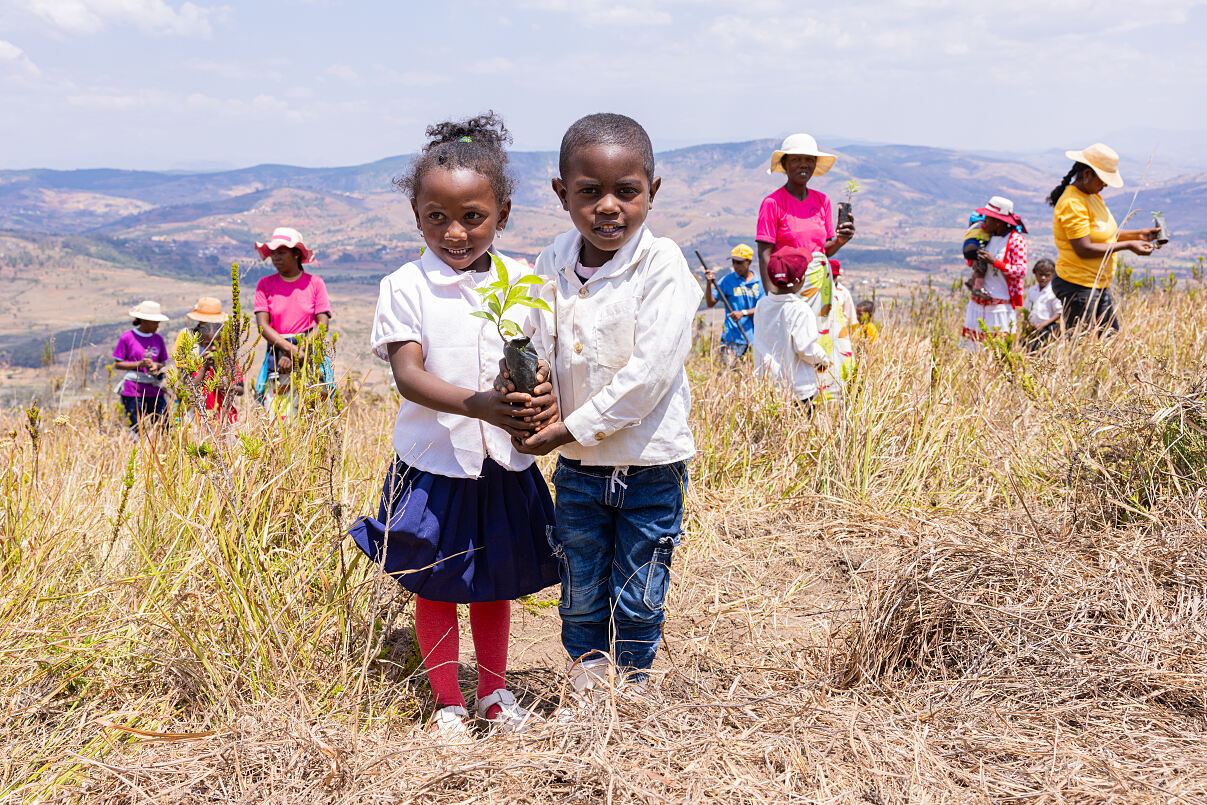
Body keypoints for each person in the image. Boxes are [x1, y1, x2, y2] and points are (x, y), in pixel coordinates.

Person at [348, 113, 560, 742]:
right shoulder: (405, 286)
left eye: (473, 216)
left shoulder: (523, 283)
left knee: (493, 585)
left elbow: (536, 364)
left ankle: (494, 694)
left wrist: (536, 401)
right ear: (416, 214)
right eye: (436, 217)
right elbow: (409, 375)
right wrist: (476, 404)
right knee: (436, 585)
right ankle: (447, 703)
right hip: (433, 466)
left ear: (504, 211)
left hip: (499, 463)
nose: (455, 232)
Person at [509, 113, 701, 700]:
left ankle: (636, 685)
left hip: (650, 465)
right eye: (589, 193)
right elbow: (534, 338)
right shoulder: (552, 261)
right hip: (579, 472)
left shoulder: (663, 266)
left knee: (640, 583)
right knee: (582, 581)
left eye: (627, 191)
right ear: (562, 193)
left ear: (653, 191)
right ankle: (590, 685)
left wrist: (565, 427)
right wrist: (529, 388)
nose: (609, 206)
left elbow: (649, 376)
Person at [1048, 143, 1160, 333]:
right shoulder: (1072, 203)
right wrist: (1128, 245)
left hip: (1096, 284)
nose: (1105, 184)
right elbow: (1083, 248)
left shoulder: (1092, 196)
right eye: (1103, 179)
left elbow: (1103, 235)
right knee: (1081, 345)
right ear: (1087, 174)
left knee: (1108, 341)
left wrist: (1139, 234)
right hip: (1078, 285)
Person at [755, 133, 856, 290]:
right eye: (796, 159)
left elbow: (824, 250)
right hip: (787, 285)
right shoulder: (772, 203)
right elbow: (764, 255)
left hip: (820, 284)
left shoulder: (823, 201)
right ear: (785, 164)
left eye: (809, 159)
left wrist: (841, 240)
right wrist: (771, 297)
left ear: (814, 164)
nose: (804, 165)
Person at [252, 227, 333, 400]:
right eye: (273, 253)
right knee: (279, 408)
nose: (275, 257)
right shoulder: (264, 284)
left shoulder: (315, 284)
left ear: (296, 253)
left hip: (310, 350)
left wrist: (302, 350)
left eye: (281, 252)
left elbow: (322, 324)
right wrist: (290, 350)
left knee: (312, 406)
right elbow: (262, 325)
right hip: (278, 353)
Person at [751, 247, 829, 407]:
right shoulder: (800, 309)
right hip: (799, 391)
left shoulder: (761, 305)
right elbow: (805, 349)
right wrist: (822, 360)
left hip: (768, 388)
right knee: (802, 429)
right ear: (800, 280)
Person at [958, 196, 1028, 351]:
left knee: (998, 350)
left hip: (1000, 306)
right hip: (978, 303)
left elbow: (1021, 271)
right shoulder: (984, 236)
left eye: (988, 219)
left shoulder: (1016, 240)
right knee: (973, 350)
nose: (984, 222)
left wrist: (995, 263)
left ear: (999, 222)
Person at [173, 296, 243, 424]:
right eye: (206, 343)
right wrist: (204, 368)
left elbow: (240, 388)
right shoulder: (186, 337)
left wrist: (225, 385)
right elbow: (186, 385)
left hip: (223, 414)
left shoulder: (226, 347)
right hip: (197, 415)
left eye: (216, 343)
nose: (212, 347)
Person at [112, 300, 170, 432]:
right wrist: (139, 364)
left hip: (154, 388)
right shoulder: (127, 338)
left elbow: (163, 363)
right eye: (154, 322)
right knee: (137, 427)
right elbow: (118, 364)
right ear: (143, 321)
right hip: (133, 389)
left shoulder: (158, 339)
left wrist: (156, 365)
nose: (157, 325)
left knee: (162, 423)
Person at [703, 243, 761, 365]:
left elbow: (762, 309)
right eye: (734, 262)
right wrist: (708, 284)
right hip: (731, 337)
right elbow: (710, 302)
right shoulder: (727, 280)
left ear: (749, 262)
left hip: (754, 338)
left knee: (750, 375)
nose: (735, 266)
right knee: (727, 374)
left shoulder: (759, 283)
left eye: (739, 263)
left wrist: (743, 313)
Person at [1023, 259, 1062, 349]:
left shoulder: (1053, 291)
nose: (1043, 278)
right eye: (1040, 274)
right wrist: (1026, 323)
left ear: (1052, 275)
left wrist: (1044, 324)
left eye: (1047, 275)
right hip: (1032, 329)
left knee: (1044, 352)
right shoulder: (1032, 290)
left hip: (1047, 329)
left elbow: (1059, 312)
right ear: (1035, 273)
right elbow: (1026, 309)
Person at [830, 259, 857, 327]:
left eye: (833, 277)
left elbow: (851, 317)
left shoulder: (844, 293)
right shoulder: (817, 291)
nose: (831, 279)